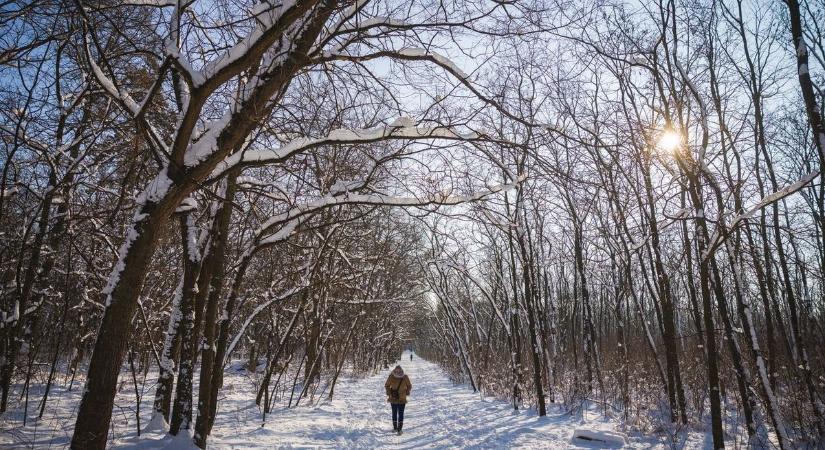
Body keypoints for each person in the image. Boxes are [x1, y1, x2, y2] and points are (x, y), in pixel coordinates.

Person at [384, 365, 412, 435]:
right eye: (397, 371)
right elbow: (387, 385)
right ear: (394, 370)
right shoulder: (392, 377)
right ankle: (396, 428)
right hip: (394, 398)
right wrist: (389, 392)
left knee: (400, 413)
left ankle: (399, 429)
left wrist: (407, 392)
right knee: (395, 413)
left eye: (399, 371)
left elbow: (409, 386)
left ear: (401, 371)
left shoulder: (404, 377)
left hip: (401, 398)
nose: (398, 372)